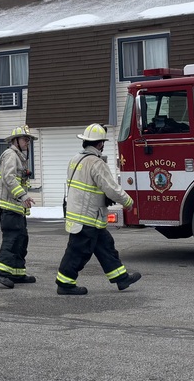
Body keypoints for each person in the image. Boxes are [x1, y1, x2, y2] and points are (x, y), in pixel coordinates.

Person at [55, 123, 140, 295]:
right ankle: (65, 283)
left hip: (83, 214)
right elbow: (111, 188)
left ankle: (121, 279)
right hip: (87, 217)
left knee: (105, 246)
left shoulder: (75, 159)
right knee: (78, 251)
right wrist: (128, 202)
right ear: (100, 144)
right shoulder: (96, 163)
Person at [0, 125, 37, 288]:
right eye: (25, 139)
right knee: (11, 240)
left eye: (29, 140)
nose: (27, 142)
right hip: (9, 208)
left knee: (21, 240)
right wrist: (23, 195)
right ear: (15, 141)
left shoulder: (20, 157)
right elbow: (9, 179)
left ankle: (17, 273)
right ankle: (0, 273)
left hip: (17, 208)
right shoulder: (11, 155)